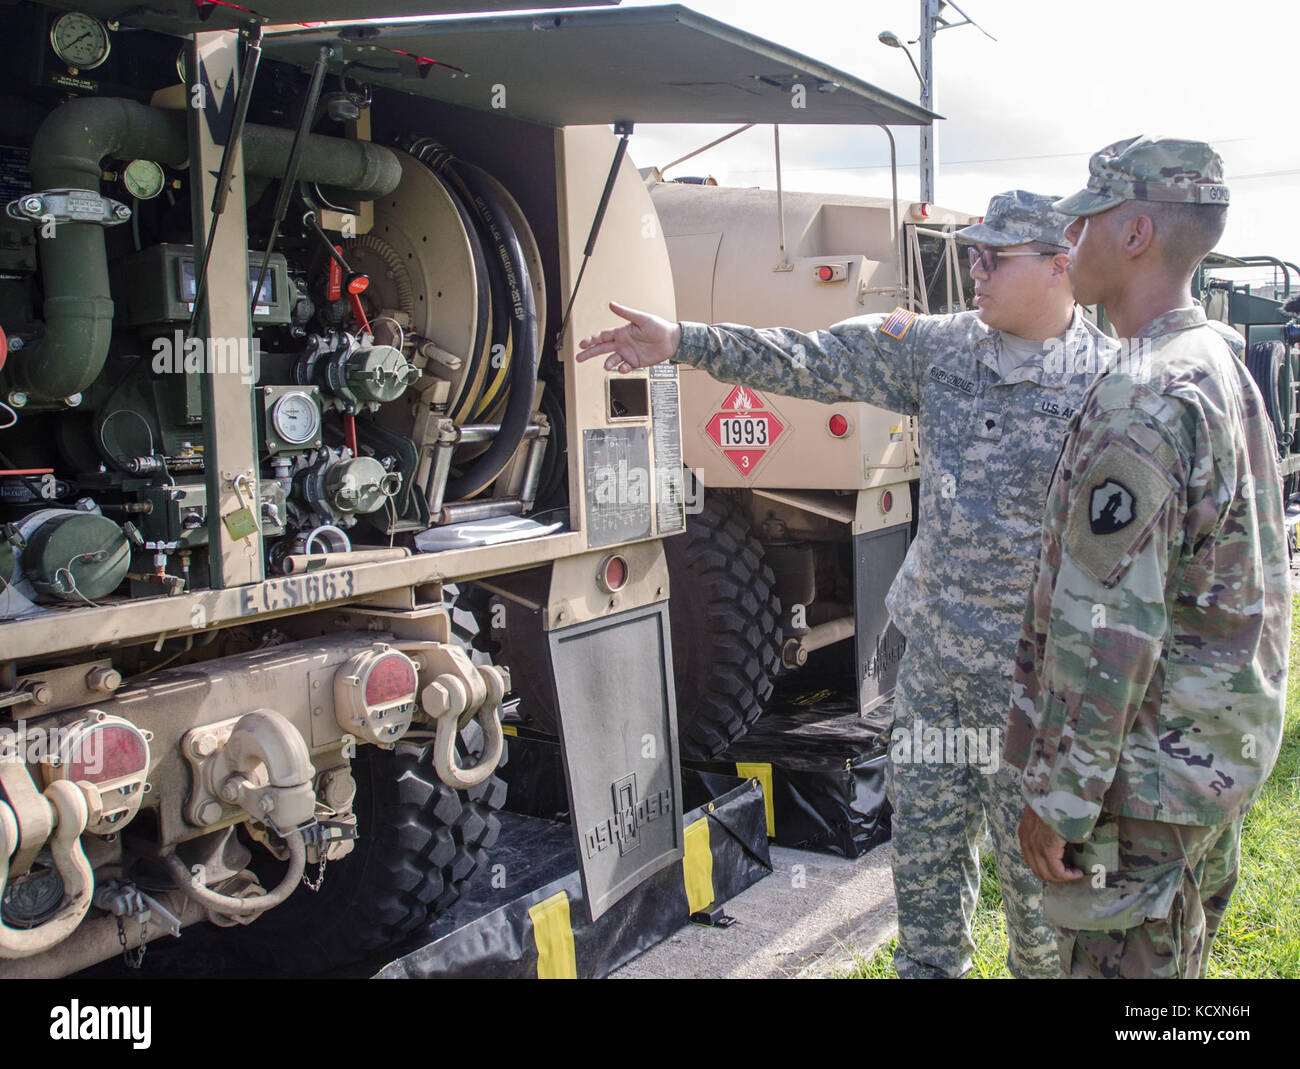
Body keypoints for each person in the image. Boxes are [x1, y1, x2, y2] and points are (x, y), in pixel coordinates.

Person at [577, 190, 1114, 978]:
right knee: (926, 871)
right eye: (974, 252)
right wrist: (681, 340)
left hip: (1033, 688)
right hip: (933, 670)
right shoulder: (943, 349)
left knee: (1039, 906)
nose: (976, 269)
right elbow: (809, 358)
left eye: (995, 257)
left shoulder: (1109, 385)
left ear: (1059, 265)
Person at [1006, 136, 1290, 978]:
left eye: (1086, 221)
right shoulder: (1218, 362)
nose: (1070, 242)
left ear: (1133, 234)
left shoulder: (1148, 389)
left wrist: (1061, 796)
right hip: (1202, 767)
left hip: (1141, 788)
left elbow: (1110, 626)